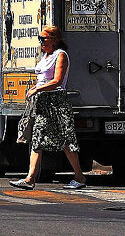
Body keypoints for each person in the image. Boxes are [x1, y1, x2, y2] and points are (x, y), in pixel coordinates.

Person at [10, 25, 86, 191]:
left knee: (66, 139)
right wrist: (35, 89)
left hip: (57, 101)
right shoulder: (45, 55)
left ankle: (79, 176)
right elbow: (42, 79)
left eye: (43, 38)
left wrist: (38, 88)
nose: (41, 41)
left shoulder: (61, 55)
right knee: (37, 138)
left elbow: (58, 81)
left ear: (54, 40)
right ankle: (30, 179)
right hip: (43, 102)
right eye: (40, 38)